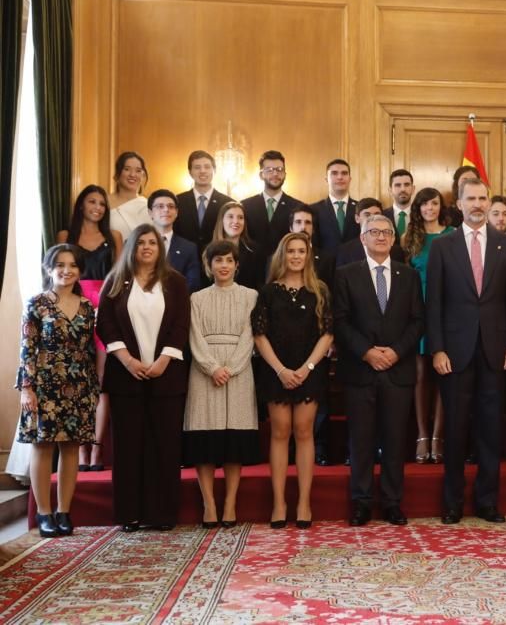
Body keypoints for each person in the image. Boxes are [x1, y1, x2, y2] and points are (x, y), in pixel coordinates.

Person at [426, 177, 506, 524]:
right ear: (459, 203)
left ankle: (487, 501)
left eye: (483, 198)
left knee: (489, 429)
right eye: (472, 198)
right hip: (454, 352)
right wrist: (437, 349)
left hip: (496, 351)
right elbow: (433, 302)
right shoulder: (442, 246)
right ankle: (451, 502)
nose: (478, 204)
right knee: (454, 429)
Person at [97, 224, 191, 532]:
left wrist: (164, 360)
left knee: (164, 446)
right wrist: (126, 359)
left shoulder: (175, 282)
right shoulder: (116, 281)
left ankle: (162, 514)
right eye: (141, 243)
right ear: (132, 248)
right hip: (126, 378)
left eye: (153, 242)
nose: (147, 247)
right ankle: (130, 514)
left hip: (167, 377)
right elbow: (105, 324)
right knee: (128, 448)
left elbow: (180, 325)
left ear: (160, 248)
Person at [334, 215, 424, 526]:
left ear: (394, 239)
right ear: (363, 238)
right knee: (361, 440)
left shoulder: (408, 276)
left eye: (387, 232)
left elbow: (417, 322)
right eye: (374, 232)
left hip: (398, 370)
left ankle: (391, 502)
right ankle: (360, 502)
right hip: (360, 370)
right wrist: (367, 352)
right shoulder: (346, 275)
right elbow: (341, 321)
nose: (382, 237)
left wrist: (397, 351)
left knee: (395, 440)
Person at [16, 245, 100, 537]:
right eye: (60, 265)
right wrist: (26, 388)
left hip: (79, 384)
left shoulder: (87, 306)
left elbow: (90, 350)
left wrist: (93, 387)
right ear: (48, 269)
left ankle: (64, 510)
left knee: (71, 446)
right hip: (44, 384)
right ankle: (43, 513)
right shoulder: (37, 303)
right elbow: (27, 349)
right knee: (43, 446)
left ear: (80, 270)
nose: (67, 270)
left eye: (73, 265)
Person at [252, 232, 334, 528]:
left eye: (301, 251)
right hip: (276, 371)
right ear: (282, 255)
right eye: (291, 251)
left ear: (308, 255)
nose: (296, 256)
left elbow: (327, 333)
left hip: (309, 371)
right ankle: (278, 503)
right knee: (279, 432)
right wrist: (281, 370)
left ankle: (303, 503)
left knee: (303, 431)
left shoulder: (320, 290)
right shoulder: (269, 292)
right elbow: (259, 334)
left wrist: (307, 367)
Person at [182, 240, 260, 528]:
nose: (224, 265)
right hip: (204, 372)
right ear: (209, 265)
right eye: (218, 261)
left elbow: (251, 334)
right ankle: (209, 504)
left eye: (229, 260)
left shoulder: (251, 296)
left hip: (239, 371)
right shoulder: (196, 298)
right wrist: (212, 367)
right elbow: (194, 337)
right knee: (205, 440)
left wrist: (233, 367)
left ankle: (230, 503)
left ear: (237, 265)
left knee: (234, 443)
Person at [57, 185, 122, 473]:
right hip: (74, 307)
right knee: (78, 378)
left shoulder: (114, 237)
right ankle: (79, 450)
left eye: (102, 203)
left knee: (102, 380)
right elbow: (59, 274)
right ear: (81, 205)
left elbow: (120, 277)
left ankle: (96, 451)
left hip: (106, 307)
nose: (97, 206)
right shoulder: (64, 236)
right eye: (91, 201)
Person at [402, 187, 454, 464]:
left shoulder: (453, 235)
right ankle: (422, 434)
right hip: (417, 310)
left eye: (434, 204)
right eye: (424, 204)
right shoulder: (408, 238)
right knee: (421, 375)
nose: (430, 209)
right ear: (418, 208)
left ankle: (438, 435)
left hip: (447, 310)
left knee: (444, 375)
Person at [241, 150, 303, 258]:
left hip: (284, 267)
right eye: (269, 170)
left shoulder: (297, 207)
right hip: (251, 268)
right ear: (261, 175)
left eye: (279, 170)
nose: (275, 174)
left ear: (285, 174)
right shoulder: (246, 206)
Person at [174, 150, 234, 260]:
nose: (202, 171)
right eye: (197, 167)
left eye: (207, 167)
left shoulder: (227, 203)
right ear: (190, 172)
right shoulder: (177, 201)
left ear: (214, 170)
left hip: (216, 262)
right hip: (183, 261)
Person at [148, 189, 201, 292]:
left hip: (176, 304)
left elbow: (193, 284)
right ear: (150, 212)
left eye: (171, 206)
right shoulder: (135, 243)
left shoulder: (189, 248)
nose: (166, 210)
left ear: (176, 213)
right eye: (160, 206)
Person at [311, 158, 360, 253]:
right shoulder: (314, 209)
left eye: (344, 173)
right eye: (334, 173)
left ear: (350, 179)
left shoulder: (361, 208)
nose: (340, 177)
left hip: (355, 263)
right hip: (325, 265)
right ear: (326, 179)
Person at [213, 201, 265, 290]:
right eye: (230, 217)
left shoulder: (255, 251)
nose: (236, 221)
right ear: (222, 220)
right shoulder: (209, 250)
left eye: (240, 217)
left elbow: (259, 285)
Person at [108, 151, 153, 238]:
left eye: (138, 171)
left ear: (143, 175)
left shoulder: (148, 205)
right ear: (118, 173)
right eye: (127, 169)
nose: (132, 175)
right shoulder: (104, 201)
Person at [383, 168, 414, 238]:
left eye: (407, 185)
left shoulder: (421, 215)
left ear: (413, 189)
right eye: (397, 185)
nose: (403, 189)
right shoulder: (382, 215)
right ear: (390, 190)